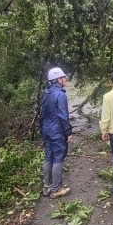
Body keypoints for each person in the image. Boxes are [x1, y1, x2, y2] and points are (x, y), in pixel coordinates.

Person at [40, 67, 73, 199]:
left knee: (48, 156)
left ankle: (47, 187)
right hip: (57, 131)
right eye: (63, 77)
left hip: (46, 129)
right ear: (58, 80)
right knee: (58, 157)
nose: (65, 79)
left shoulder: (46, 93)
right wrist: (68, 132)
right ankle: (56, 189)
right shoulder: (60, 95)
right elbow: (63, 116)